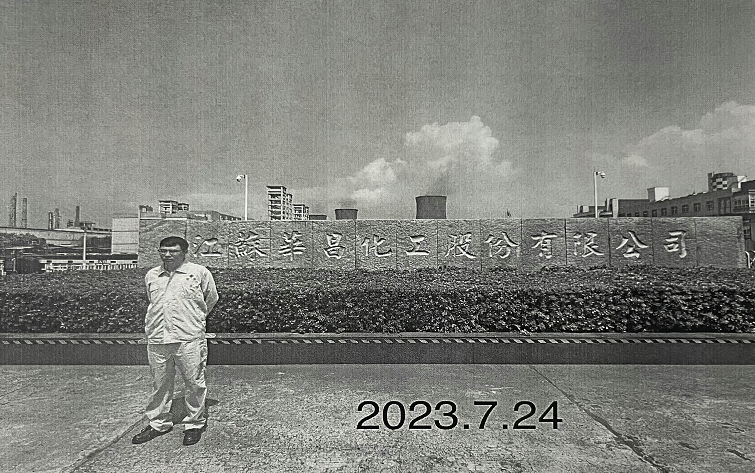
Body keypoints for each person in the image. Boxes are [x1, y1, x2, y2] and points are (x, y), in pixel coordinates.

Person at [132, 236, 218, 446]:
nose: (167, 254)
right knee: (160, 383)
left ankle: (194, 424)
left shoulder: (199, 273)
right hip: (158, 337)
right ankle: (158, 423)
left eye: (173, 251)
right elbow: (152, 301)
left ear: (185, 252)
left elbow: (211, 298)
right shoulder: (152, 275)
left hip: (188, 338)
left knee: (194, 382)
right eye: (163, 250)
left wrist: (195, 319)